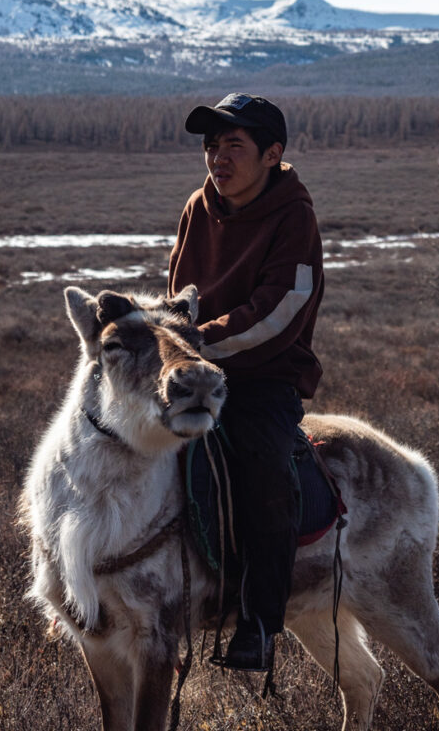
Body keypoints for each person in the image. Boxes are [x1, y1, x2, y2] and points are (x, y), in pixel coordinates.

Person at [167, 92, 324, 671]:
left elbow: (281, 308)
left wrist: (200, 342)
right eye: (211, 146)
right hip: (197, 367)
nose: (217, 159)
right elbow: (180, 294)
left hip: (264, 378)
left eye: (233, 145)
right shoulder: (197, 207)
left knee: (263, 469)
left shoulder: (294, 215)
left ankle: (258, 623)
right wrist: (170, 341)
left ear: (272, 154)